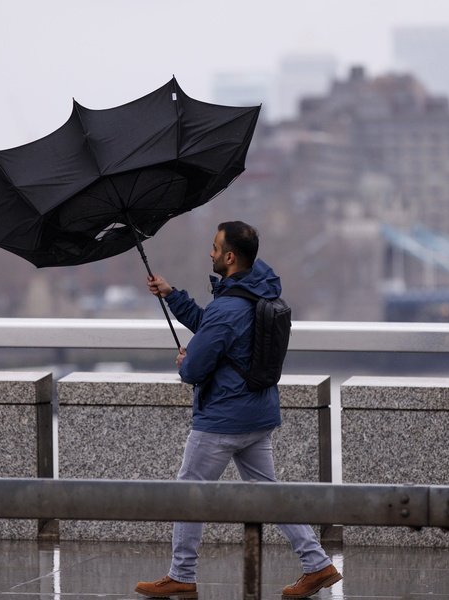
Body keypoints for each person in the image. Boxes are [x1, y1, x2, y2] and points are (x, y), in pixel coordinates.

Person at [135, 221, 342, 599]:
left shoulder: (228, 306)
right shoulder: (255, 294)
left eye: (214, 248)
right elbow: (215, 329)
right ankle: (318, 565)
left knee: (189, 493)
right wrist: (172, 295)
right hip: (257, 415)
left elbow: (196, 367)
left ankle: (181, 575)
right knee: (269, 493)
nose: (210, 254)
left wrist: (184, 362)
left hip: (222, 420)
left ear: (229, 257)